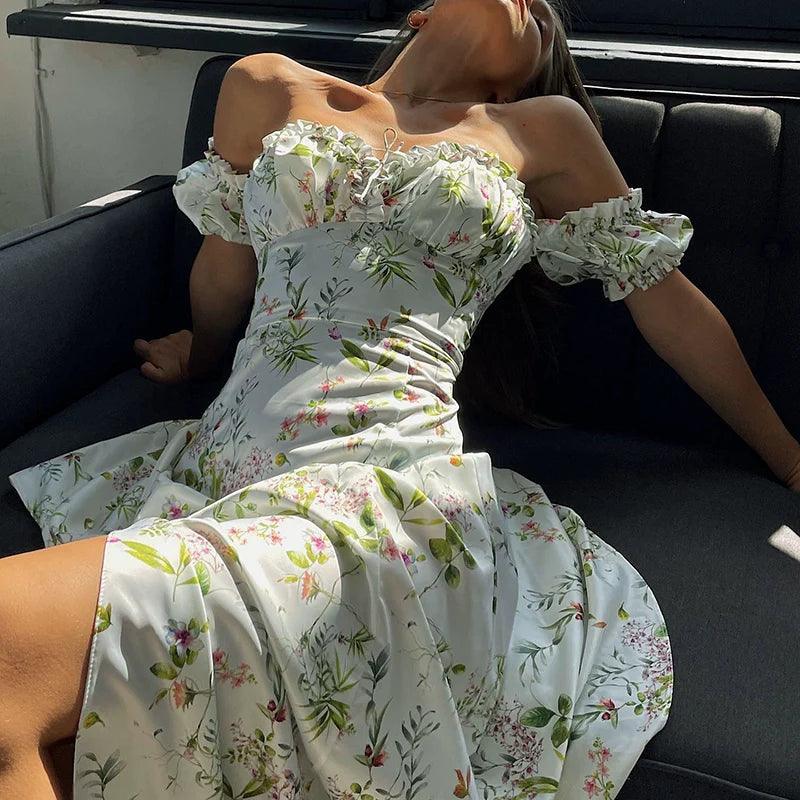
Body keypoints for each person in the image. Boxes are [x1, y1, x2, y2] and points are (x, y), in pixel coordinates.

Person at [3, 1, 799, 798]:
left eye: (544, 15)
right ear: (421, 9)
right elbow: (225, 264)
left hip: (382, 497)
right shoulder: (266, 85)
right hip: (222, 471)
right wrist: (197, 353)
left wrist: (789, 459)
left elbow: (671, 306)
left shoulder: (540, 129)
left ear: (531, 65)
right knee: (85, 735)